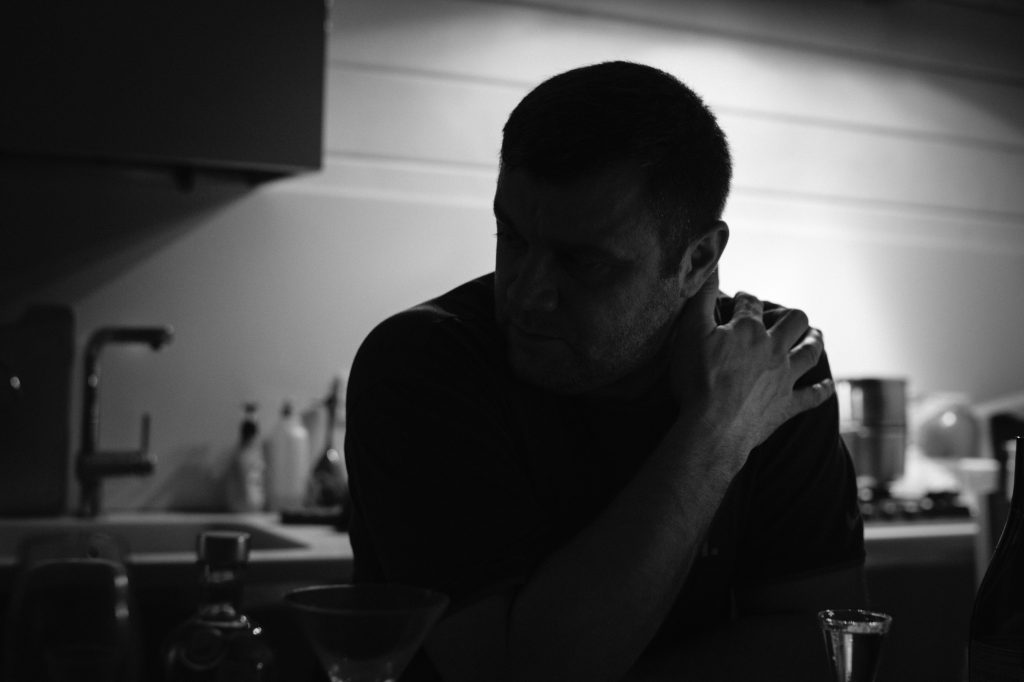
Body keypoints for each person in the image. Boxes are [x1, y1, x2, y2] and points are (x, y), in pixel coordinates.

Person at [344, 61, 866, 681]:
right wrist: (715, 430)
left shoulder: (770, 362)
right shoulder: (424, 364)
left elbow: (821, 649)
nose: (527, 294)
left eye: (583, 263)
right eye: (509, 236)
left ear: (698, 259)